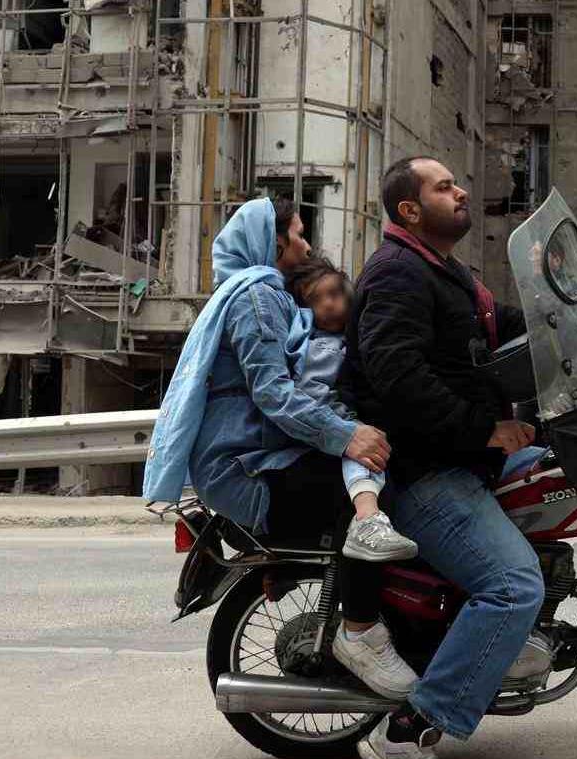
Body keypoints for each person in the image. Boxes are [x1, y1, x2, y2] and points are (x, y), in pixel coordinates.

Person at [139, 197, 421, 698]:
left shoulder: (264, 294)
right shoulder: (257, 295)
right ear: (273, 241)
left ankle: (292, 571)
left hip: (255, 453)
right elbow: (274, 392)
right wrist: (347, 434)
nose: (307, 244)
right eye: (298, 232)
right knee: (368, 489)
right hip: (246, 466)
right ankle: (361, 633)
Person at [339, 156, 545, 759]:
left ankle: (496, 648)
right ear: (408, 209)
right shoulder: (398, 273)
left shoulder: (445, 273)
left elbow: (497, 328)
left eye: (457, 182)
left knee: (549, 475)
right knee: (513, 585)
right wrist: (479, 431)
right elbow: (395, 374)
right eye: (443, 186)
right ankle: (409, 733)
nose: (460, 191)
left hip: (455, 456)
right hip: (424, 469)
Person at [282, 255, 418, 563]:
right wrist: (345, 426)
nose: (329, 304)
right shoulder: (318, 345)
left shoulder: (352, 337)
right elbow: (312, 393)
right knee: (363, 453)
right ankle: (367, 518)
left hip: (341, 417)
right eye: (316, 299)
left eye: (334, 293)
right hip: (328, 422)